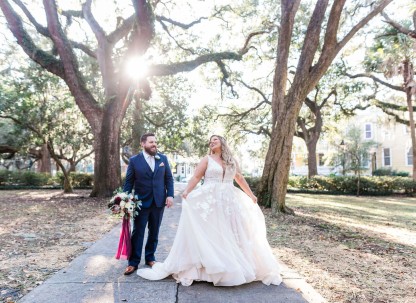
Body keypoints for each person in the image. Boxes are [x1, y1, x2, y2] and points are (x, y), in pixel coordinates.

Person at [137, 135, 282, 286]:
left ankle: (233, 265)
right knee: (214, 232)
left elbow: (239, 178)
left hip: (229, 201)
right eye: (211, 141)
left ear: (222, 143)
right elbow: (196, 177)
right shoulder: (207, 159)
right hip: (210, 200)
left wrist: (251, 195)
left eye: (215, 140)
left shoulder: (232, 160)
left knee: (231, 231)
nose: (212, 143)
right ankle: (210, 267)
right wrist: (186, 191)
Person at [123, 133, 174, 275]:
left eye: (155, 142)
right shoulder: (134, 161)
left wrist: (170, 195)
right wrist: (124, 199)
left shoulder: (162, 158)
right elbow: (129, 182)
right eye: (151, 142)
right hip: (140, 202)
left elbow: (169, 178)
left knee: (154, 231)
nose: (154, 144)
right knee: (138, 232)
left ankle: (150, 258)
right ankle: (133, 262)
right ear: (143, 144)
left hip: (158, 202)